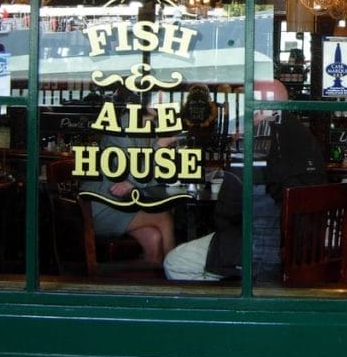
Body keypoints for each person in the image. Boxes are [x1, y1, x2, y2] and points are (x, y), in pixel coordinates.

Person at [163, 113, 327, 282]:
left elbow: (226, 212)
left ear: (260, 110)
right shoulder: (304, 137)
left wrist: (237, 150)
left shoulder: (256, 145)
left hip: (265, 249)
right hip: (307, 247)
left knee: (176, 262)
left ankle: (234, 305)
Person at [79, 103, 177, 265]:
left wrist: (135, 181)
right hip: (99, 205)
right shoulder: (122, 126)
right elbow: (125, 171)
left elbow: (156, 174)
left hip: (122, 204)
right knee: (164, 218)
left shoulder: (154, 126)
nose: (161, 100)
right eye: (154, 94)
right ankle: (175, 279)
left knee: (154, 238)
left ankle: (147, 287)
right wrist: (160, 146)